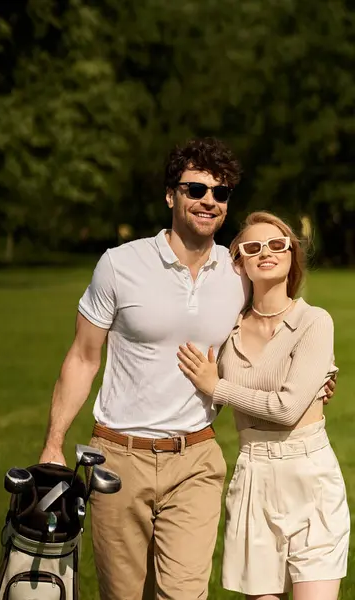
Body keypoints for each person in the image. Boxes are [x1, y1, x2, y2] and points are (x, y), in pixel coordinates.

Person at [39, 138, 335, 600]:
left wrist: (316, 378)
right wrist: (54, 443)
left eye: (220, 194)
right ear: (170, 195)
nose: (208, 201)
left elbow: (267, 333)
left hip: (196, 459)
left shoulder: (237, 274)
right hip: (120, 455)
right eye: (195, 189)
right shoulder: (119, 265)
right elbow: (83, 356)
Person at [177, 211, 349, 600]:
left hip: (310, 477)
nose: (266, 252)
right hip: (253, 476)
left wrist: (218, 387)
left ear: (291, 254)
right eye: (252, 247)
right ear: (239, 262)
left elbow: (288, 409)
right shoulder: (225, 332)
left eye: (276, 244)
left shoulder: (314, 322)